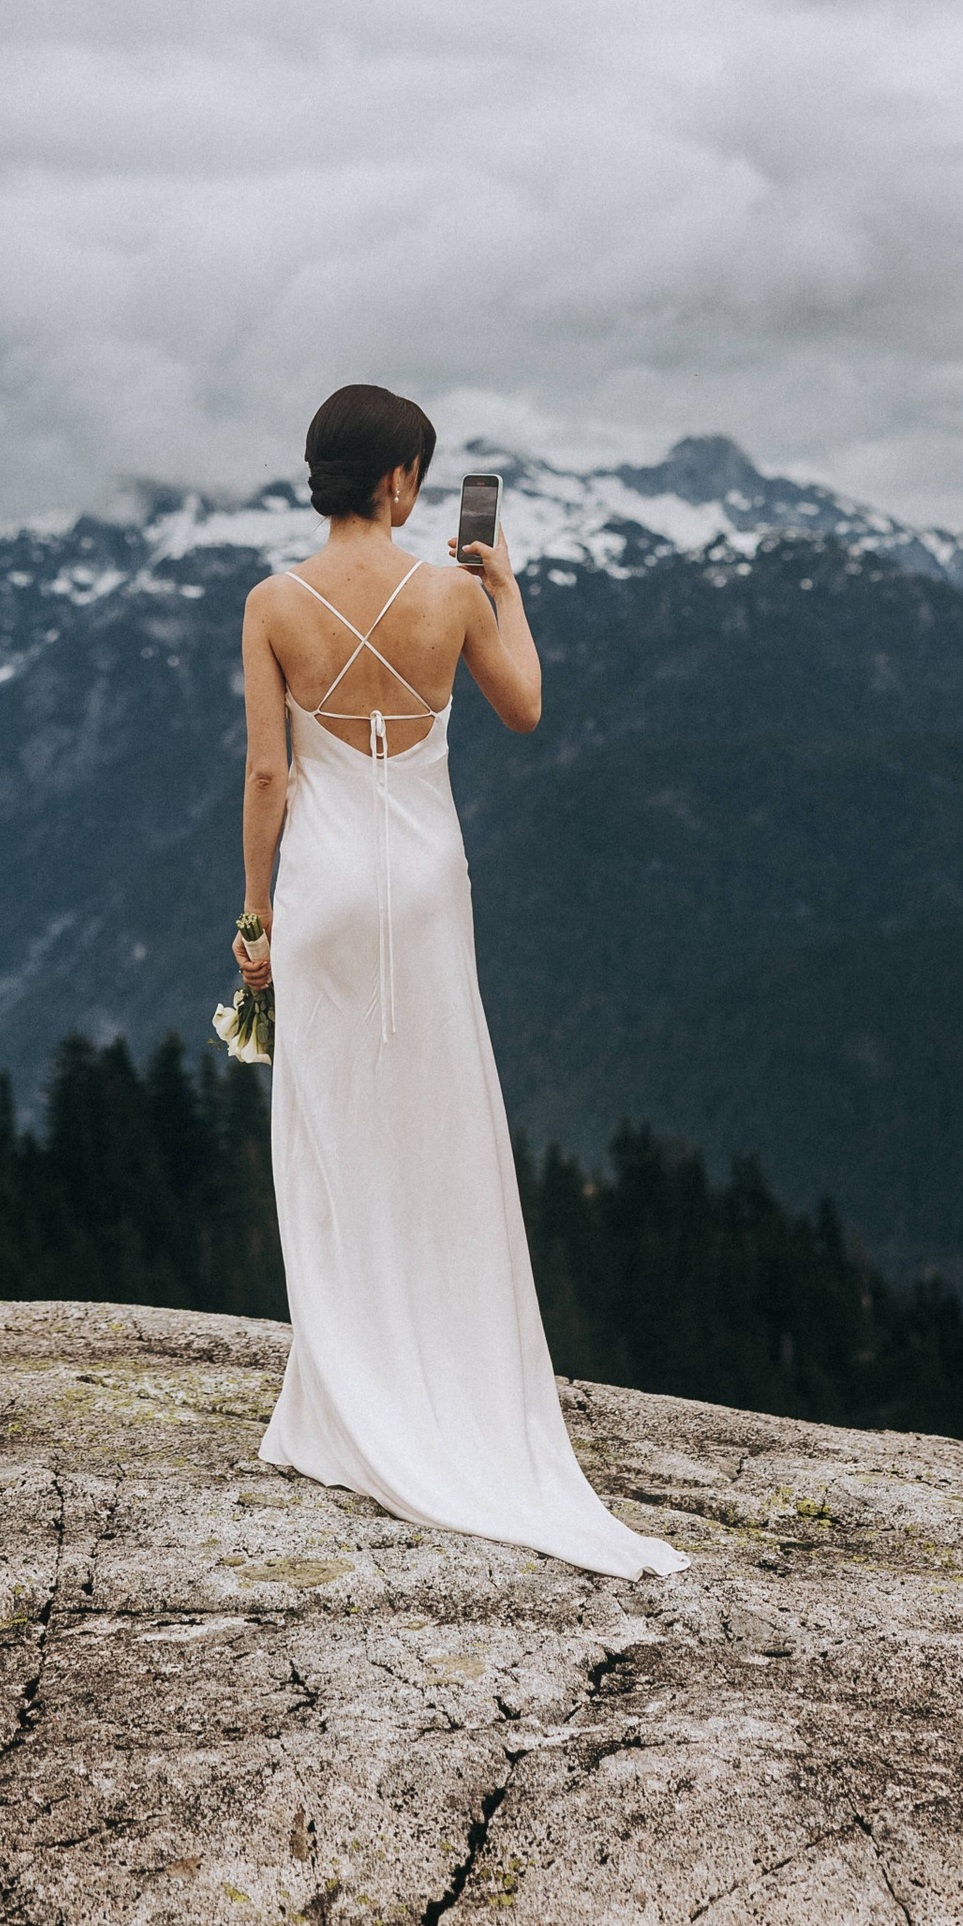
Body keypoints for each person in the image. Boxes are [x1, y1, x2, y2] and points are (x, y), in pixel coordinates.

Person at [230, 382, 683, 1578]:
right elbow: (525, 708)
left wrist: (256, 916)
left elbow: (269, 778)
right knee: (439, 1121)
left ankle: (343, 1394)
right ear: (399, 481)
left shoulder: (272, 602)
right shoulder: (448, 591)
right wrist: (507, 590)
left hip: (324, 892)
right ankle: (449, 1370)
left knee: (329, 1127)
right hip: (426, 883)